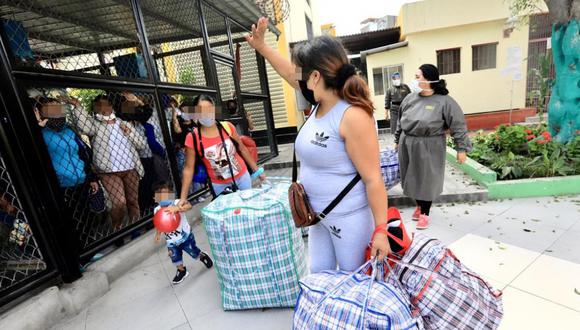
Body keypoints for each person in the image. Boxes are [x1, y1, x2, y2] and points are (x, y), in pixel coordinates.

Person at [246, 18, 391, 272]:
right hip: (317, 217)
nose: (297, 78)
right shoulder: (317, 104)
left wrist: (381, 229)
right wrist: (262, 47)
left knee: (353, 282)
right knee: (319, 279)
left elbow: (373, 178)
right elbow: (289, 74)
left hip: (348, 219)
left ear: (315, 77)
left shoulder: (352, 116)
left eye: (302, 72)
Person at [394, 64, 472, 230]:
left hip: (430, 144)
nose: (414, 80)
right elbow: (400, 120)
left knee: (427, 178)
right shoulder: (410, 98)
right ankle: (419, 205)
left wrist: (461, 149)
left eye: (418, 77)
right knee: (411, 176)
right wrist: (396, 140)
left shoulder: (444, 101)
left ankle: (425, 213)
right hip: (408, 143)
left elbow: (458, 125)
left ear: (429, 79)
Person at [71, 94, 146, 230]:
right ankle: (117, 228)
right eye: (99, 106)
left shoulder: (123, 123)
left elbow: (141, 144)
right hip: (108, 172)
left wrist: (129, 133)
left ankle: (136, 228)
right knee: (119, 203)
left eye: (106, 104)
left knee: (133, 201)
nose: (103, 108)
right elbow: (84, 127)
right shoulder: (94, 124)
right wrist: (77, 107)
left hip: (130, 168)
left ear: (111, 106)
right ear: (95, 109)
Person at [173, 94, 265, 200]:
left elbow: (242, 149)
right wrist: (183, 199)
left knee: (247, 210)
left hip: (242, 178)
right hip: (219, 185)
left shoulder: (227, 127)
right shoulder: (192, 137)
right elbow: (188, 168)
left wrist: (257, 171)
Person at [153, 182, 213, 284]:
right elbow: (159, 223)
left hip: (185, 237)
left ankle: (201, 255)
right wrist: (158, 234)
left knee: (193, 252)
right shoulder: (157, 210)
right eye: (160, 196)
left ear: (171, 194)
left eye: (166, 195)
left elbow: (189, 206)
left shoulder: (177, 202)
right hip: (171, 241)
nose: (163, 198)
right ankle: (181, 271)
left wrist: (177, 208)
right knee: (175, 257)